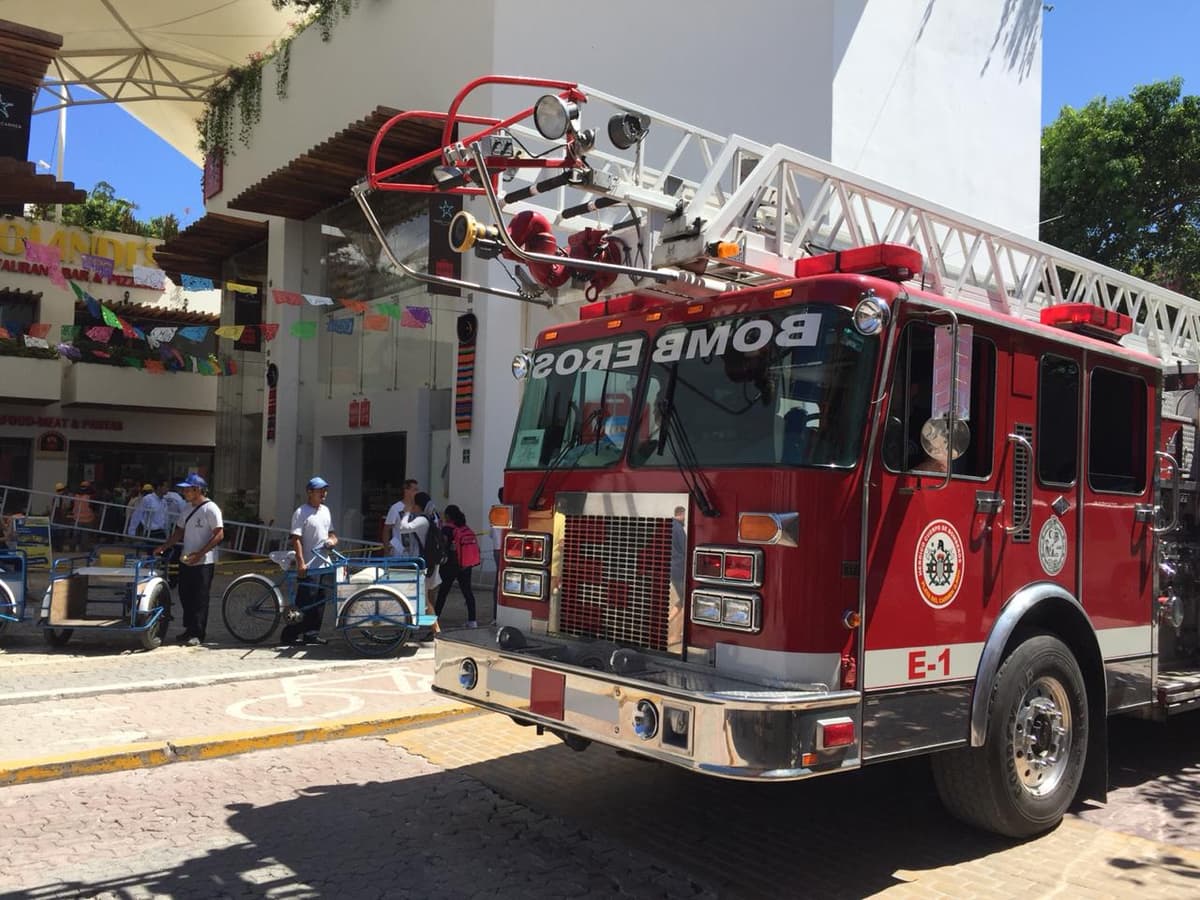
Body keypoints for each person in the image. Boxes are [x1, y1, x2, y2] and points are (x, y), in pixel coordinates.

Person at [155, 474, 223, 647]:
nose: (184, 492)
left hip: (204, 562)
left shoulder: (211, 508)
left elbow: (219, 534)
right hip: (186, 559)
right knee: (185, 594)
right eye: (183, 489)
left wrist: (200, 553)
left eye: (187, 489)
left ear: (197, 490)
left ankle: (198, 632)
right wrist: (164, 546)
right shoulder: (186, 508)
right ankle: (189, 628)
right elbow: (179, 531)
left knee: (200, 598)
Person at [280, 476, 338, 647]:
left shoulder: (325, 511)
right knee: (305, 602)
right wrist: (300, 562)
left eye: (325, 490)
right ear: (310, 492)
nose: (323, 494)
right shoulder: (301, 512)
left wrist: (332, 541)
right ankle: (289, 634)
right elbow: (296, 538)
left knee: (320, 602)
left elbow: (332, 534)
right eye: (320, 491)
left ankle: (312, 634)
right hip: (309, 564)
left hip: (324, 564)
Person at [391, 489, 442, 638]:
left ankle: (434, 631)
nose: (411, 506)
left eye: (413, 504)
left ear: (418, 505)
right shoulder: (428, 518)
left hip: (422, 565)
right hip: (425, 563)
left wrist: (406, 513)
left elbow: (403, 528)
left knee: (423, 599)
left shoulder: (422, 520)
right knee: (420, 598)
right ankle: (416, 629)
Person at [435, 504, 480, 627]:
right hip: (466, 564)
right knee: (467, 592)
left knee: (443, 593)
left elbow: (442, 544)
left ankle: (435, 619)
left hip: (450, 565)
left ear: (448, 516)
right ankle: (472, 621)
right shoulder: (465, 528)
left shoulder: (447, 529)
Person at [382, 478, 419, 555]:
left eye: (417, 490)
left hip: (415, 554)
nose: (417, 492)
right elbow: (386, 530)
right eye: (414, 490)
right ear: (406, 490)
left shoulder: (418, 508)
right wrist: (386, 551)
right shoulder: (395, 508)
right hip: (400, 553)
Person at [491, 486, 506, 617]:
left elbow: (492, 534)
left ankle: (496, 614)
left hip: (497, 548)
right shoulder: (508, 511)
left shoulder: (494, 511)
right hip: (504, 549)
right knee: (501, 581)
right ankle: (498, 613)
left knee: (498, 580)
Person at [70, 481, 96, 553]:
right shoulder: (89, 497)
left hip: (77, 518)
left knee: (75, 534)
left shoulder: (76, 496)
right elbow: (93, 507)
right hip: (87, 518)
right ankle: (83, 549)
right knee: (85, 535)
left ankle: (72, 548)